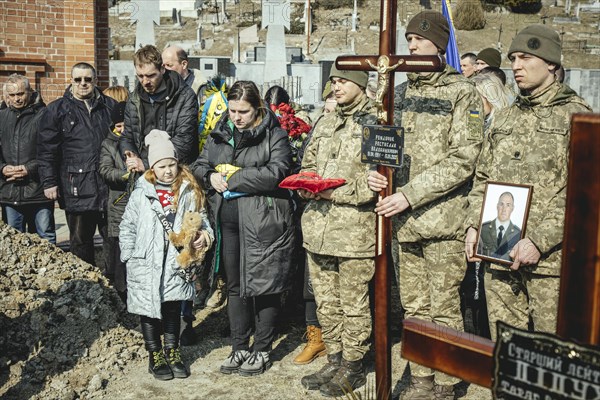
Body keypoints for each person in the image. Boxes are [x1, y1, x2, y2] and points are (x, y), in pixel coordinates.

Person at [367, 11, 484, 399]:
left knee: (444, 307)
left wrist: (410, 194)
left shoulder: (461, 92)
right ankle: (421, 379)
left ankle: (447, 383)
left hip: (442, 220)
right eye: (408, 39)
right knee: (414, 309)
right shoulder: (401, 92)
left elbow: (465, 157)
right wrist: (377, 173)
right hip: (405, 221)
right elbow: (381, 143)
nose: (411, 46)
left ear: (438, 43)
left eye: (418, 40)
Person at [464, 25, 592, 339]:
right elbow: (484, 177)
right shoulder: (506, 118)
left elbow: (584, 195)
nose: (516, 66)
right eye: (513, 58)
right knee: (506, 344)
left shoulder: (578, 118)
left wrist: (538, 239)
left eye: (525, 57)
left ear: (551, 63)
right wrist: (473, 224)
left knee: (554, 350)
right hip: (499, 250)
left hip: (551, 261)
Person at [192, 80, 296, 377]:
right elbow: (200, 164)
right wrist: (210, 176)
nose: (236, 117)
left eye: (244, 112)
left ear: (258, 108)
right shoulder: (221, 132)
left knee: (264, 286)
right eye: (232, 110)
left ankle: (262, 348)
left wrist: (235, 178)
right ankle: (239, 346)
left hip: (263, 221)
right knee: (234, 284)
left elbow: (277, 173)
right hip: (228, 221)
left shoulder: (274, 135)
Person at [299, 65, 377, 397]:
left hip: (353, 232)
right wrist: (306, 184)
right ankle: (334, 357)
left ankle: (354, 365)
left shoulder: (376, 124)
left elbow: (379, 181)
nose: (337, 85)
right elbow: (309, 163)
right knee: (326, 302)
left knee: (353, 304)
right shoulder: (327, 122)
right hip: (318, 227)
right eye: (334, 80)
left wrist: (336, 193)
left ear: (360, 83)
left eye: (344, 80)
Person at [119, 129, 213, 380]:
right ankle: (155, 354)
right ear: (152, 167)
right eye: (162, 166)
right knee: (148, 310)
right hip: (145, 262)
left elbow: (202, 221)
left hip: (175, 262)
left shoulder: (187, 191)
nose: (168, 171)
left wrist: (205, 237)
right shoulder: (142, 192)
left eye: (172, 164)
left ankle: (173, 350)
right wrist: (129, 255)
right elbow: (127, 224)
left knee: (172, 307)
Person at [38, 63, 114, 265]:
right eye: (78, 79)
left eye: (87, 79)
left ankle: (115, 290)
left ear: (95, 80)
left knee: (113, 243)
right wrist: (49, 182)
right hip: (76, 187)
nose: (83, 84)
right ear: (71, 80)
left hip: (108, 187)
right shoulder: (56, 110)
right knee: (80, 244)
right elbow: (47, 150)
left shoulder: (109, 106)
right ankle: (86, 290)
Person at [120, 45, 199, 171]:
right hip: (143, 175)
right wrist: (129, 154)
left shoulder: (185, 97)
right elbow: (128, 135)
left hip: (175, 172)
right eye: (140, 76)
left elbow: (184, 142)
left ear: (162, 69)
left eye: (151, 75)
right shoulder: (135, 98)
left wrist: (147, 164)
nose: (145, 81)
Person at [0, 74, 55, 243]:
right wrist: (2, 168)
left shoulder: (44, 115)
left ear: (30, 92)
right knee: (14, 241)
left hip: (38, 190)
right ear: (6, 96)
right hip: (10, 190)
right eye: (12, 95)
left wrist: (28, 169)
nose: (17, 99)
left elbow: (51, 151)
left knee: (45, 237)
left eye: (21, 94)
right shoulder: (1, 117)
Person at [99, 92, 129, 303]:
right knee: (119, 250)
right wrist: (125, 174)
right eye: (118, 126)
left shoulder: (138, 141)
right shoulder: (108, 145)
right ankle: (120, 290)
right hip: (118, 202)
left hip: (135, 201)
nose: (121, 129)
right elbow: (105, 170)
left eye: (124, 125)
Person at [478, 192, 521, 261]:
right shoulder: (484, 228)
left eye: (508, 205)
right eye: (501, 204)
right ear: (497, 206)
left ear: (512, 208)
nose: (504, 209)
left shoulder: (517, 234)